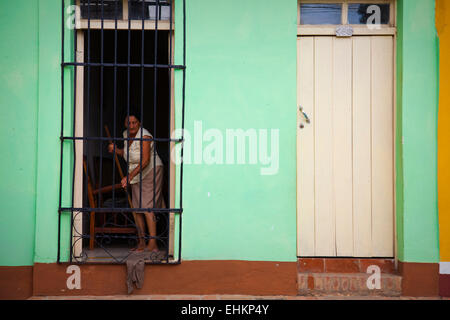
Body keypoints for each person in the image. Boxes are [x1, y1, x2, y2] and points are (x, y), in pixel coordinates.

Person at [108, 114, 165, 253]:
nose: (132, 125)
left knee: (146, 206)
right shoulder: (125, 134)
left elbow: (145, 161)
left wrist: (129, 177)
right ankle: (141, 242)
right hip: (135, 173)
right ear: (125, 123)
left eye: (135, 122)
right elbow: (129, 154)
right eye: (129, 122)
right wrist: (117, 151)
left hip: (151, 170)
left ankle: (153, 244)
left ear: (139, 123)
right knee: (136, 207)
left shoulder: (145, 136)